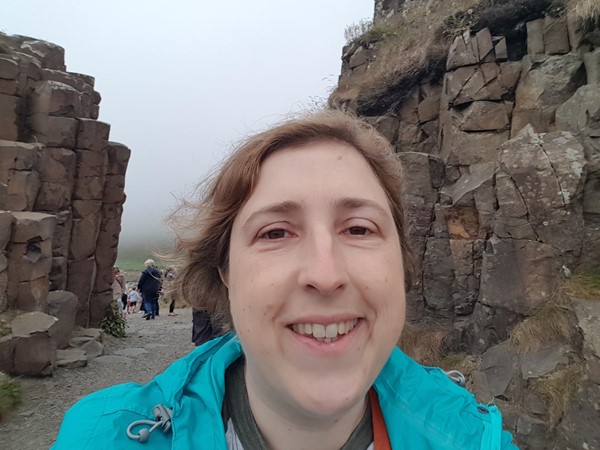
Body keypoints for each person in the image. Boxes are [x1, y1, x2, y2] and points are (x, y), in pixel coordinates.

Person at [53, 111, 517, 449]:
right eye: (275, 232)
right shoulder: (100, 436)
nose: (325, 274)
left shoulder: (475, 438)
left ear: (401, 264)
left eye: (358, 228)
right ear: (226, 273)